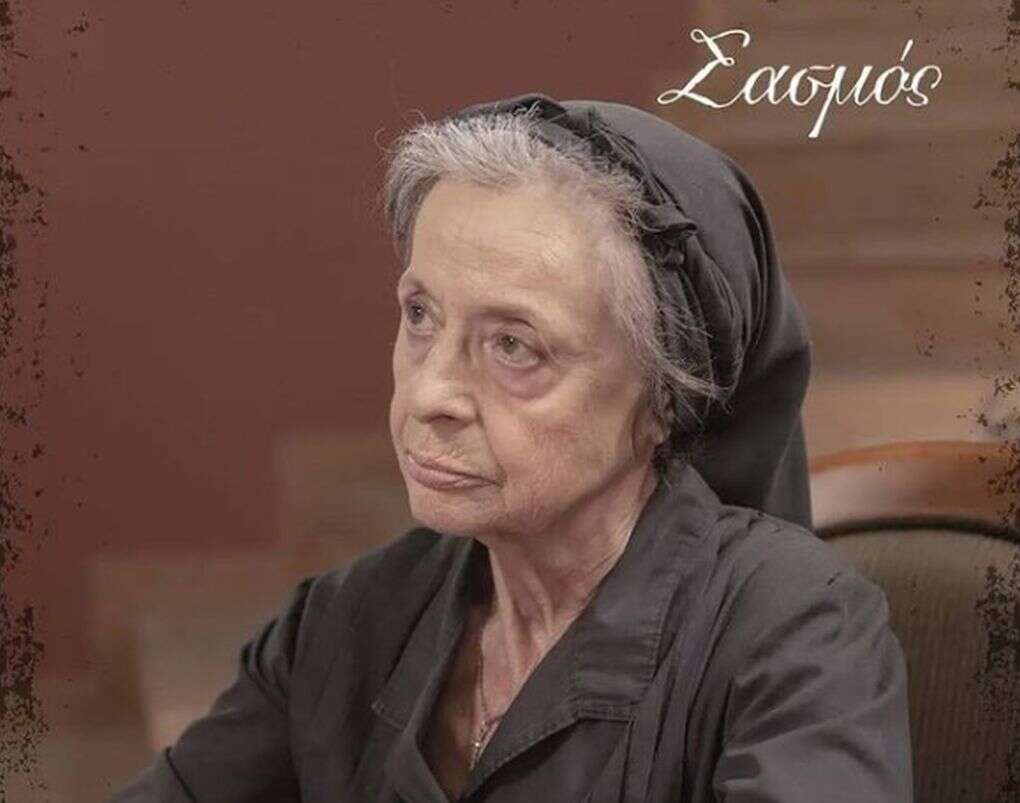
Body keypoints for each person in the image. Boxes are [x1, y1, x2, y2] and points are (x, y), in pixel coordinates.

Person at [111, 93, 913, 802]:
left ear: (662, 400)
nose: (430, 394)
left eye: (514, 346)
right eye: (420, 316)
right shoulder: (343, 622)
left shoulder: (796, 634)